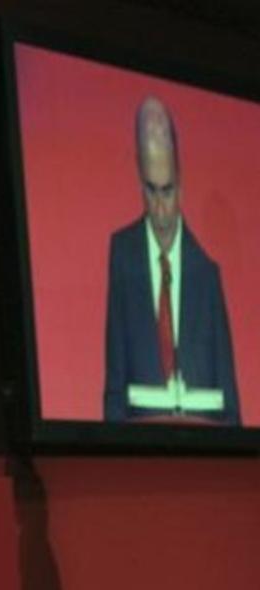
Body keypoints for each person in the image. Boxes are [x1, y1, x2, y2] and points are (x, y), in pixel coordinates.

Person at [103, 96, 240, 424]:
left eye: (168, 190)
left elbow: (230, 404)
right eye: (152, 191)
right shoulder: (123, 255)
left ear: (181, 181)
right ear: (139, 175)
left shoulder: (207, 275)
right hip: (139, 463)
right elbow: (115, 386)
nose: (161, 208)